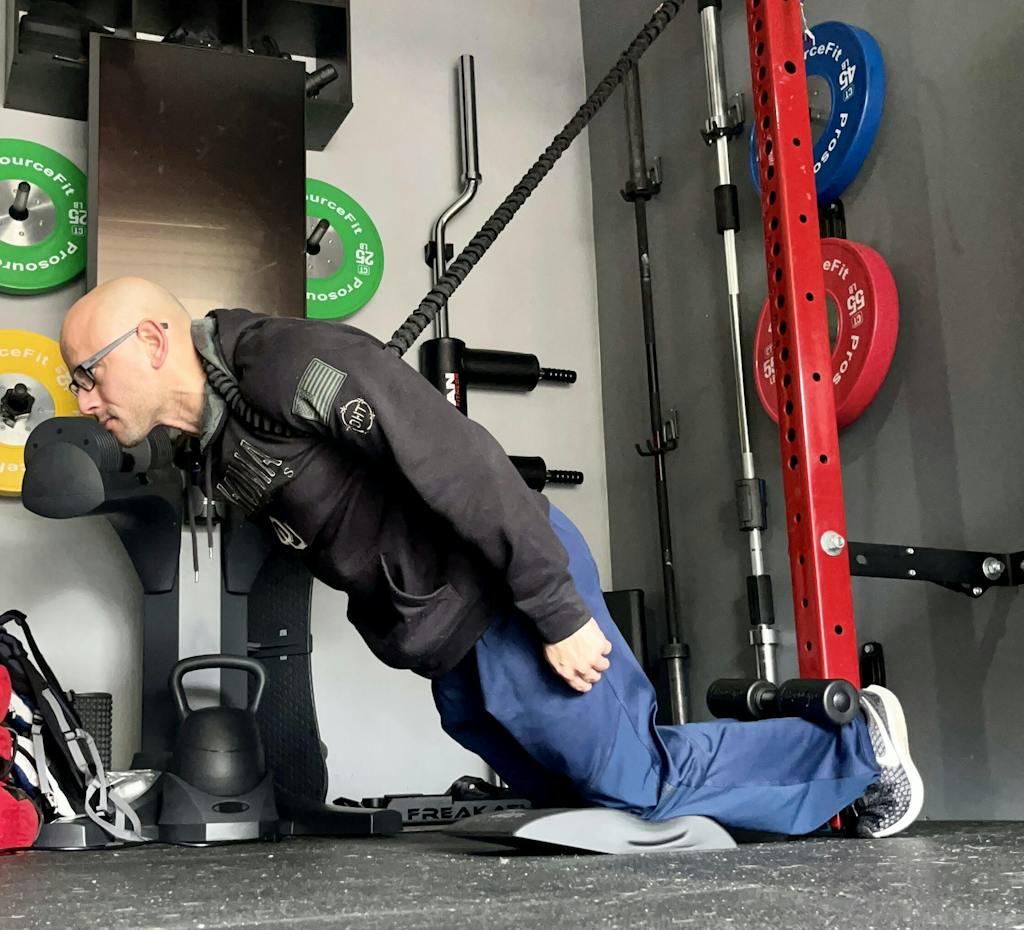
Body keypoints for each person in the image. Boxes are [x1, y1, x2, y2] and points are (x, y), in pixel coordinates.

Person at [60, 277, 924, 838]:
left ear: (153, 339)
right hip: (447, 640)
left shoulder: (288, 365)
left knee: (638, 782)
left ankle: (859, 747)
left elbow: (459, 459)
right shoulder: (210, 439)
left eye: (89, 374)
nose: (84, 397)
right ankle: (833, 771)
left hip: (508, 597)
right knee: (587, 808)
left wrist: (555, 608)